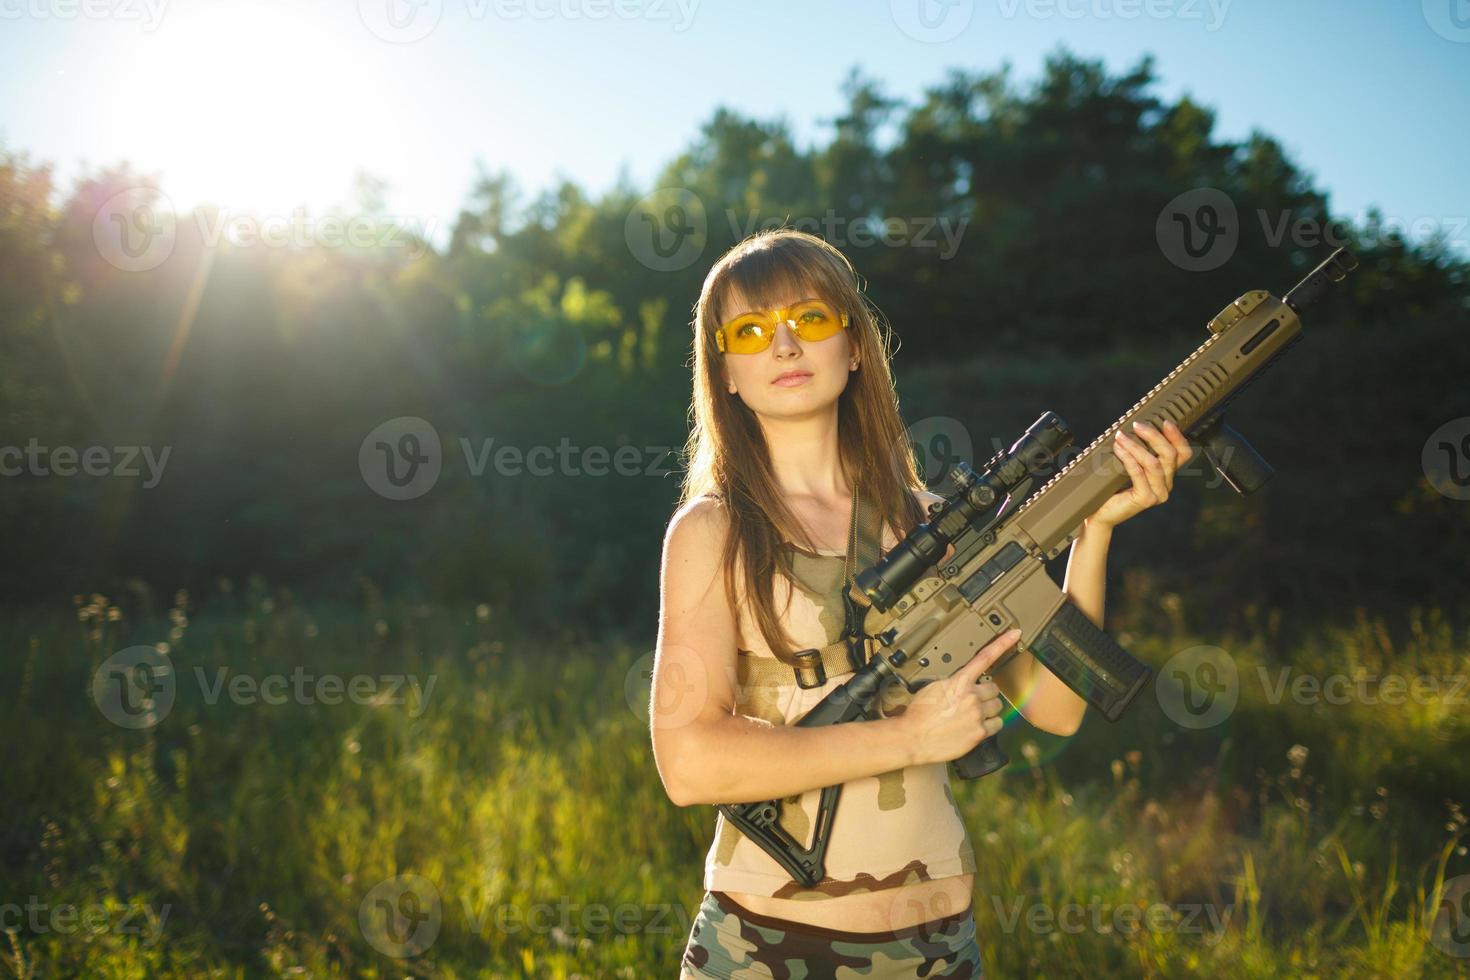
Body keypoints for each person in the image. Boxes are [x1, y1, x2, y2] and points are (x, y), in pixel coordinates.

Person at [650, 228, 1194, 977]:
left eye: (808, 320)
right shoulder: (713, 532)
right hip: (766, 945)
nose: (783, 345)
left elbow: (1060, 711)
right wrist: (909, 738)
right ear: (727, 376)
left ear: (854, 346)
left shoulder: (932, 523)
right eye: (750, 330)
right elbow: (690, 763)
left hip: (935, 946)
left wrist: (1093, 528)